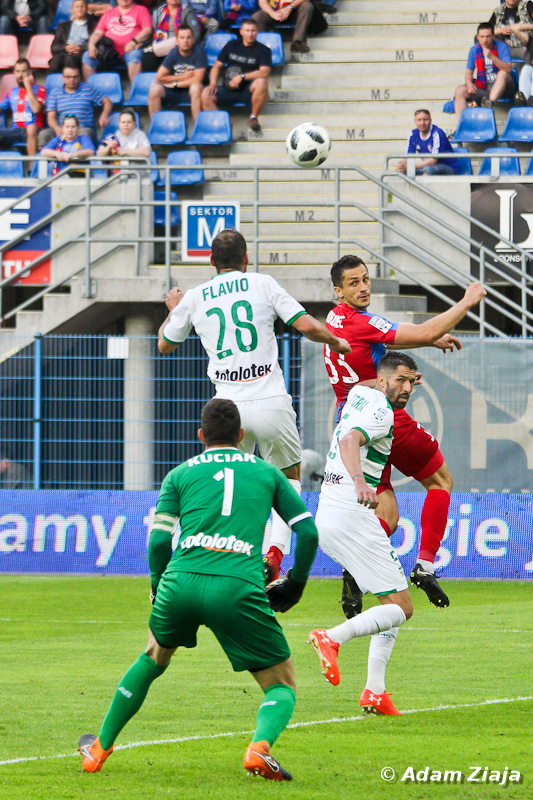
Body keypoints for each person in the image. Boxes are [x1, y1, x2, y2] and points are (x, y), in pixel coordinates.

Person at [78, 397, 319, 780]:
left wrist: (158, 586)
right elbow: (307, 532)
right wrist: (296, 583)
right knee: (281, 684)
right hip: (238, 585)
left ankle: (98, 749)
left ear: (201, 435)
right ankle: (259, 749)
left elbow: (159, 542)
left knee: (153, 657)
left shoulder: (179, 474)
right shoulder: (267, 473)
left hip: (182, 582)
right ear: (241, 435)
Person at [158, 229, 350, 586]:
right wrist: (335, 340)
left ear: (211, 261)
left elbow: (165, 344)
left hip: (227, 409)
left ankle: (230, 557)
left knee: (233, 482)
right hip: (271, 401)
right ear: (246, 258)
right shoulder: (262, 283)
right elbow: (305, 325)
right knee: (288, 478)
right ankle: (274, 554)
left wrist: (173, 311)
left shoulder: (196, 297)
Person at [312, 255, 485, 613]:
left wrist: (426, 344)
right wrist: (466, 302)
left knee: (388, 517)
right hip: (382, 415)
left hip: (351, 415)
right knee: (441, 481)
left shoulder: (334, 319)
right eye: (354, 283)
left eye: (366, 279)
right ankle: (425, 565)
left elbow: (370, 351)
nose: (363, 287)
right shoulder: (360, 322)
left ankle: (355, 569)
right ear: (338, 290)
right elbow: (422, 331)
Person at [307, 352, 417, 716]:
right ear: (382, 380)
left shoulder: (359, 393)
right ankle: (331, 638)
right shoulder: (382, 412)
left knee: (391, 603)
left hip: (329, 513)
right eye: (400, 380)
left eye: (411, 381)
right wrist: (359, 481)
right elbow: (350, 440)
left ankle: (375, 691)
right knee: (402, 608)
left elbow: (362, 383)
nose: (406, 388)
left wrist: (395, 378)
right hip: (353, 513)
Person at [201, 18, 271, 132]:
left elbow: (264, 72)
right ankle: (220, 126)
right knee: (206, 95)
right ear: (241, 32)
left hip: (248, 91)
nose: (250, 34)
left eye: (253, 31)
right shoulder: (231, 45)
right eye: (247, 30)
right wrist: (212, 84)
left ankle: (253, 118)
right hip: (228, 88)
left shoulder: (264, 50)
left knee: (262, 82)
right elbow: (217, 66)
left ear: (257, 31)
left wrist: (242, 77)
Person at [39, 61, 113, 148]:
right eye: (68, 77)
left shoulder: (88, 89)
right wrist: (57, 128)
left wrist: (104, 115)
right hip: (63, 130)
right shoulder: (55, 93)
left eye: (75, 77)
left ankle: (82, 157)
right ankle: (44, 157)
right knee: (44, 134)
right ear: (63, 77)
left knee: (86, 133)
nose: (72, 80)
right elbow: (51, 117)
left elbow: (107, 102)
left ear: (79, 77)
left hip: (81, 130)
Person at [454, 22, 515, 119]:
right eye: (482, 37)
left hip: (504, 87)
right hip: (484, 86)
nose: (485, 40)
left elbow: (508, 68)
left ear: (493, 36)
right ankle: (463, 123)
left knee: (502, 73)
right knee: (460, 91)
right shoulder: (474, 50)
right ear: (478, 37)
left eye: (488, 36)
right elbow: (469, 72)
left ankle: (488, 103)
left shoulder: (502, 47)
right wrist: (469, 83)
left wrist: (492, 57)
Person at [83, 0, 153, 82]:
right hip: (109, 53)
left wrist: (134, 41)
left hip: (130, 51)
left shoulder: (141, 10)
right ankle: (89, 88)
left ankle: (137, 89)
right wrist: (91, 45)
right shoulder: (109, 13)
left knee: (134, 55)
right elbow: (98, 32)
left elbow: (147, 30)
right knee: (87, 56)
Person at [148, 25, 207, 120]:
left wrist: (175, 84)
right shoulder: (173, 53)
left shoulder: (199, 51)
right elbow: (159, 78)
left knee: (195, 87)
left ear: (193, 40)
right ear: (177, 41)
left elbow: (197, 80)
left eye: (188, 38)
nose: (185, 41)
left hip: (191, 92)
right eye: (182, 38)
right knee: (154, 89)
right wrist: (182, 77)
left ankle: (198, 125)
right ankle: (155, 125)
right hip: (174, 92)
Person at [0, 59, 45, 158]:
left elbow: (36, 109)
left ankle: (32, 165)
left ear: (30, 72)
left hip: (34, 131)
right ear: (14, 73)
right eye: (18, 71)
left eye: (24, 71)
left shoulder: (40, 89)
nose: (20, 75)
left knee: (31, 128)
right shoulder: (12, 92)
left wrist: (28, 87)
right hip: (15, 131)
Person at [395, 109, 460, 176]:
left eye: (425, 120)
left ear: (430, 120)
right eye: (419, 120)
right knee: (403, 171)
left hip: (447, 167)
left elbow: (432, 161)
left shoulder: (437, 134)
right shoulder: (413, 134)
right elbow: (409, 156)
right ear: (415, 121)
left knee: (428, 170)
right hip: (427, 167)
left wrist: (410, 166)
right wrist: (402, 165)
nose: (422, 123)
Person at [142, 0, 200, 71]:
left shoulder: (186, 11)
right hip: (161, 43)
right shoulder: (159, 11)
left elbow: (196, 33)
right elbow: (154, 31)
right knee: (148, 57)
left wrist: (186, 44)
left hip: (179, 45)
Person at [49, 0, 99, 74]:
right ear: (72, 10)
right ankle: (53, 80)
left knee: (70, 59)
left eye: (82, 6)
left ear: (86, 9)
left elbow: (97, 43)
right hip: (66, 52)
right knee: (55, 60)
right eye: (77, 7)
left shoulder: (94, 26)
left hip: (83, 52)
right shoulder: (62, 26)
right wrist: (66, 47)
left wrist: (81, 48)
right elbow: (54, 47)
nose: (80, 9)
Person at [490, 0, 533, 67]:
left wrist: (521, 28)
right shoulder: (499, 11)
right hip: (507, 47)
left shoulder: (526, 6)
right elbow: (487, 31)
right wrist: (501, 30)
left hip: (526, 46)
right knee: (482, 38)